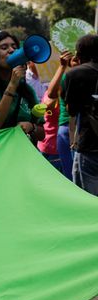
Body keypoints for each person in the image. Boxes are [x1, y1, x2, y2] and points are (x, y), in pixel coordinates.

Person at [64, 34, 98, 195]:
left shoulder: (76, 74)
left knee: (87, 199)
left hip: (89, 146)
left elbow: (71, 110)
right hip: (89, 145)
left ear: (78, 54)